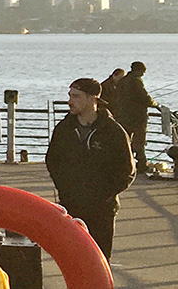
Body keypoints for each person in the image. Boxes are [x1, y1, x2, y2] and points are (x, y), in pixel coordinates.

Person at [47, 78, 135, 260]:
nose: (70, 101)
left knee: (98, 260)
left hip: (101, 209)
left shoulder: (112, 131)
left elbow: (127, 170)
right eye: (70, 95)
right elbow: (52, 161)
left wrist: (104, 194)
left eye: (76, 96)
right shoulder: (64, 129)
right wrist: (65, 189)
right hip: (71, 205)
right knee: (72, 258)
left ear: (92, 98)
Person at [102, 62, 155, 174]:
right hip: (137, 117)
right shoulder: (136, 81)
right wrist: (153, 103)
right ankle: (141, 164)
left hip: (123, 116)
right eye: (143, 71)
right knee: (140, 140)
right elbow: (144, 97)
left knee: (125, 140)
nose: (143, 74)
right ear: (138, 70)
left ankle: (124, 163)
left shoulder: (123, 81)